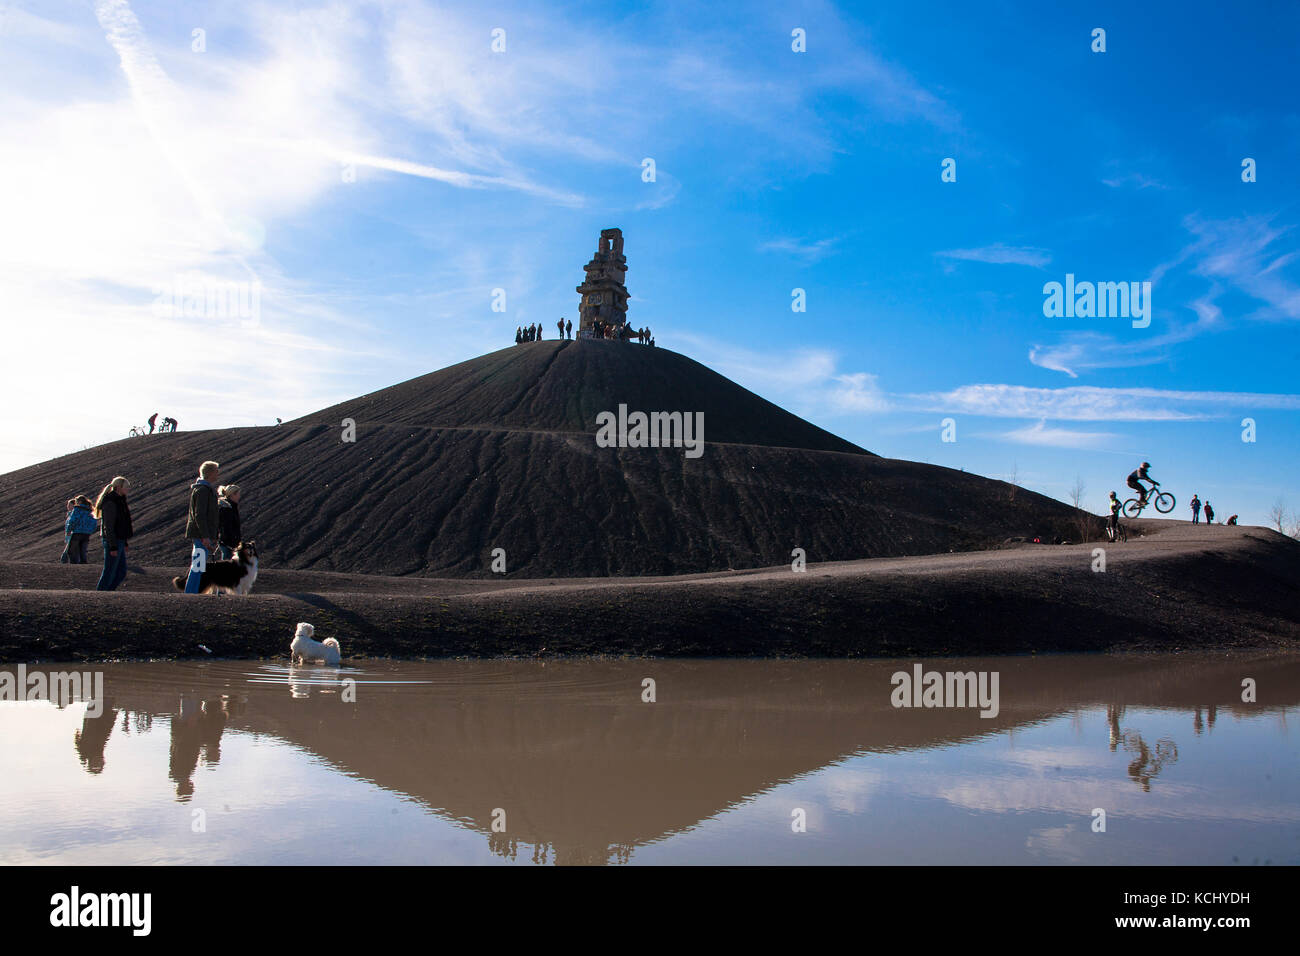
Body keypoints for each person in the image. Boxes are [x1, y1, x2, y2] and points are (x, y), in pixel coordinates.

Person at [183, 461, 221, 594]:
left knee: (199, 564)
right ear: (210, 473)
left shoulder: (203, 489)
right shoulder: (203, 490)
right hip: (201, 535)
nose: (218, 474)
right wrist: (205, 536)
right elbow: (199, 515)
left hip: (202, 534)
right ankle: (190, 593)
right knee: (198, 565)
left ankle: (192, 592)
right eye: (216, 471)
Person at [94, 476, 133, 591]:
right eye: (126, 487)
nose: (127, 489)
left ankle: (108, 592)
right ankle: (102, 593)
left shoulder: (120, 500)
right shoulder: (111, 502)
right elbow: (109, 526)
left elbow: (122, 523)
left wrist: (124, 541)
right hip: (114, 540)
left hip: (119, 539)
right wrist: (113, 545)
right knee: (110, 570)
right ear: (118, 488)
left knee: (120, 571)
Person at [64, 495, 99, 564]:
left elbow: (72, 520)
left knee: (71, 551)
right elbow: (94, 522)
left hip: (77, 532)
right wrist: (90, 530)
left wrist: (68, 530)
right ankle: (83, 565)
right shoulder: (90, 510)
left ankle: (74, 566)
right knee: (82, 551)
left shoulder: (77, 509)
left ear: (79, 501)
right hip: (86, 533)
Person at [217, 484, 243, 560]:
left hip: (228, 542)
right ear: (232, 495)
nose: (239, 496)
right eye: (238, 494)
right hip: (228, 542)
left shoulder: (229, 507)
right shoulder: (227, 508)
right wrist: (233, 542)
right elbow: (226, 527)